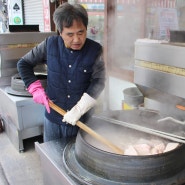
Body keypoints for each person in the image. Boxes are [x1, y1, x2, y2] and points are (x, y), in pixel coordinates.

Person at [17, 2, 106, 142]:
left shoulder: (95, 50)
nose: (76, 39)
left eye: (81, 32)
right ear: (60, 32)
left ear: (86, 28)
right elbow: (24, 63)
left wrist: (79, 110)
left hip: (82, 123)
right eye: (70, 34)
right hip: (52, 119)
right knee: (52, 159)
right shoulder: (50, 44)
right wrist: (34, 88)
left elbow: (99, 81)